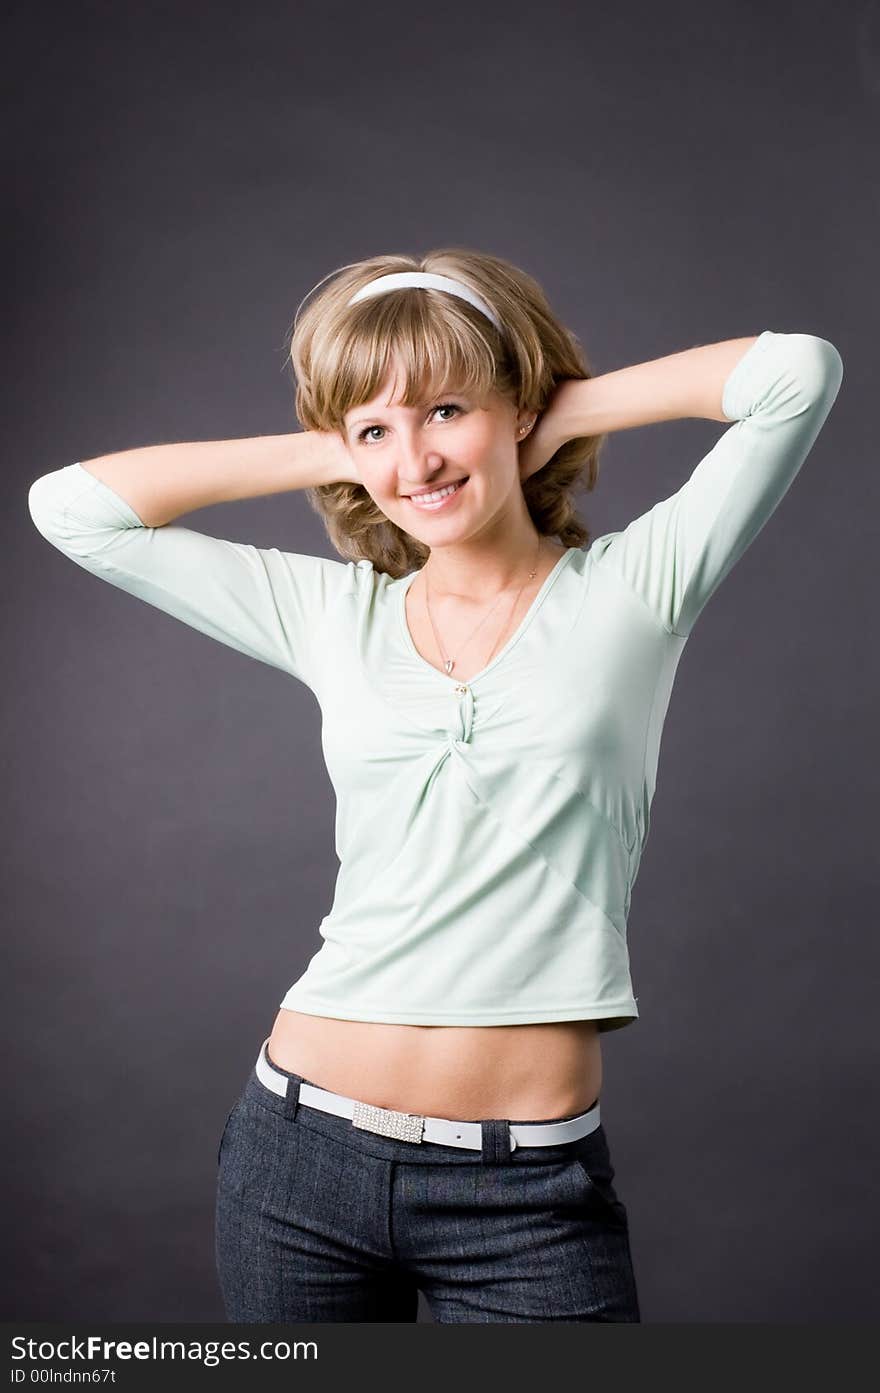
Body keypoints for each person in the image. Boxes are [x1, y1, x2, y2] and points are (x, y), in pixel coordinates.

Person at [27, 248, 844, 1323]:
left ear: (514, 403)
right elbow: (71, 506)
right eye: (375, 430)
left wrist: (554, 409)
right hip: (295, 1162)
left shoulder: (635, 591)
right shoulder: (333, 614)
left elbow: (798, 373)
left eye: (446, 408)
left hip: (525, 1194)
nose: (415, 460)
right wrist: (345, 446)